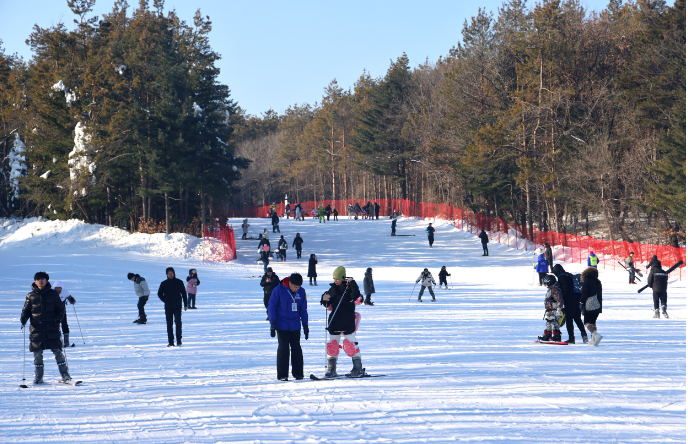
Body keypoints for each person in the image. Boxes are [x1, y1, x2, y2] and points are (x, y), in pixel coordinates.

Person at [21, 271, 73, 384]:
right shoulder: (30, 296)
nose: (41, 281)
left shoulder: (53, 294)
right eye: (38, 279)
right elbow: (26, 310)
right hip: (36, 329)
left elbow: (61, 309)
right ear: (35, 281)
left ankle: (65, 375)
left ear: (47, 281)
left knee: (58, 351)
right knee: (37, 353)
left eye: (43, 279)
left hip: (52, 327)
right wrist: (23, 318)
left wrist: (58, 318)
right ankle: (38, 377)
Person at [320, 266, 366, 377]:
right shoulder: (332, 289)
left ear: (342, 277)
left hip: (347, 320)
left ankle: (358, 368)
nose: (335, 280)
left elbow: (356, 296)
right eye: (334, 278)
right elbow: (327, 302)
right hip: (335, 320)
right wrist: (324, 299)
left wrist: (353, 283)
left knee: (351, 344)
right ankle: (331, 369)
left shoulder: (349, 288)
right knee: (332, 346)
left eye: (337, 278)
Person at [268, 273, 309, 381]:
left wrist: (305, 325)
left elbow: (303, 310)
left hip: (295, 325)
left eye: (298, 287)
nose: (296, 289)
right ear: (289, 283)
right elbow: (271, 306)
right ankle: (282, 375)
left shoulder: (302, 292)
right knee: (283, 349)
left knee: (296, 349)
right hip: (282, 325)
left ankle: (298, 373)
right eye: (295, 286)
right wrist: (272, 323)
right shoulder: (279, 290)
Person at [552, 264, 587, 344]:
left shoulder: (561, 277)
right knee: (577, 318)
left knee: (569, 319)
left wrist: (561, 298)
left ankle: (571, 338)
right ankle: (584, 335)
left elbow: (566, 288)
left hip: (570, 300)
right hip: (578, 298)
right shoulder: (569, 275)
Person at [157, 267, 188, 347]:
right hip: (168, 307)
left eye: (171, 273)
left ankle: (179, 341)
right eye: (169, 273)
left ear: (174, 273)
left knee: (178, 323)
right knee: (169, 324)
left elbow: (184, 293)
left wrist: (185, 304)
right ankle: (171, 342)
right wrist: (165, 300)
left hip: (178, 306)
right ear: (167, 274)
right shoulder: (164, 283)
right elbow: (159, 294)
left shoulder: (179, 282)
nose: (170, 275)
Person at [579, 267, 603, 346]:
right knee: (593, 322)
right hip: (598, 304)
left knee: (586, 322)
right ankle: (594, 340)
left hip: (589, 304)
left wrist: (582, 302)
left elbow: (585, 293)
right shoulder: (598, 281)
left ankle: (595, 334)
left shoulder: (587, 280)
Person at [537, 274, 564, 342]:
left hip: (554, 309)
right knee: (548, 322)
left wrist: (559, 309)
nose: (546, 285)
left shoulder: (555, 289)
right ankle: (547, 335)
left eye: (546, 283)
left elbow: (559, 300)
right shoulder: (552, 288)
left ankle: (556, 336)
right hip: (550, 309)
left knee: (553, 322)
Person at [53, 280, 76, 347]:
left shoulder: (65, 292)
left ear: (62, 288)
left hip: (62, 311)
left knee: (64, 324)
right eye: (56, 288)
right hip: (53, 311)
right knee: (54, 326)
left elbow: (70, 298)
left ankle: (66, 342)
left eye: (59, 288)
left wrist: (72, 300)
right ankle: (56, 342)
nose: (58, 289)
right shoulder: (52, 293)